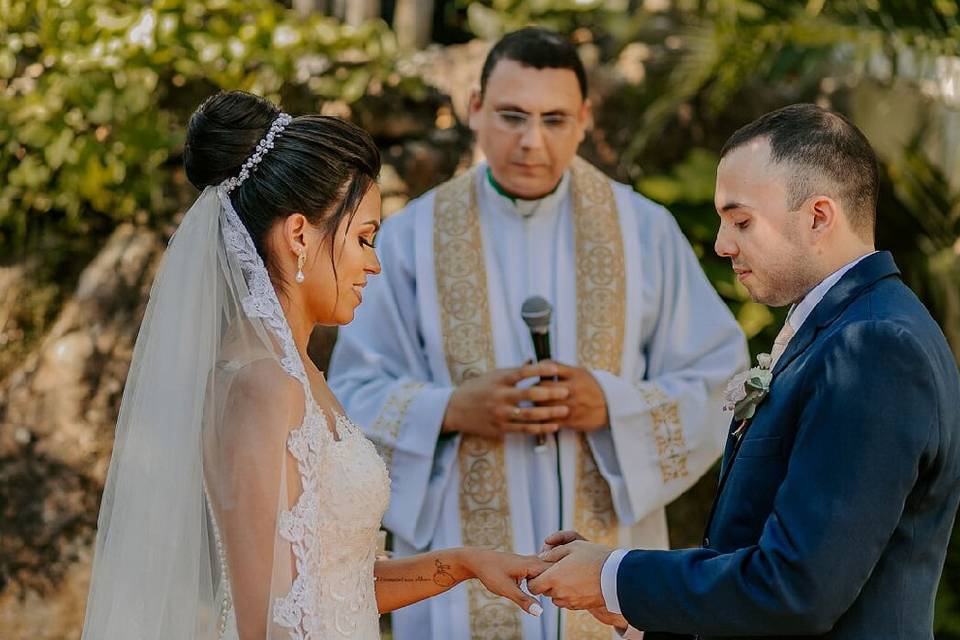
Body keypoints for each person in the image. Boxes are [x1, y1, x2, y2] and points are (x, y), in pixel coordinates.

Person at [80, 90, 549, 640]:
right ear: (300, 234)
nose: (373, 264)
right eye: (363, 238)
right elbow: (268, 621)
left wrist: (467, 563)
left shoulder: (298, 374)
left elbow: (336, 588)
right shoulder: (262, 384)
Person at [328, 27, 748, 640]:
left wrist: (612, 405)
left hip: (604, 567)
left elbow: (723, 381)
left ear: (584, 118)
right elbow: (350, 394)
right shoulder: (414, 236)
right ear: (475, 109)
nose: (531, 141)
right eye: (511, 116)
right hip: (458, 561)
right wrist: (449, 409)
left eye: (554, 119)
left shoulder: (643, 231)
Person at [528, 103, 960, 639]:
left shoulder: (874, 347)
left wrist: (615, 577)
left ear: (819, 217)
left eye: (741, 220)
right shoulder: (843, 329)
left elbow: (797, 589)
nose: (721, 244)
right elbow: (759, 551)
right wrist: (631, 599)